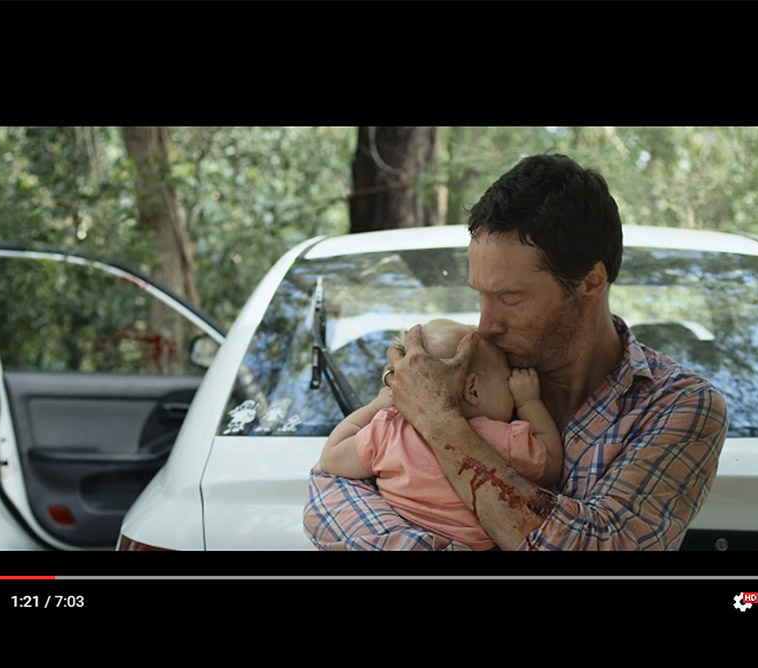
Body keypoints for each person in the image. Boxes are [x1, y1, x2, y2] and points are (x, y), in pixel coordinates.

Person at [303, 153, 730, 551]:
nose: (486, 325)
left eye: (510, 298)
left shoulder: (677, 405)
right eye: (481, 296)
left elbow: (600, 545)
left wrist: (441, 423)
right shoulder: (466, 365)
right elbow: (329, 485)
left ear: (591, 282)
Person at [317, 318, 563, 551]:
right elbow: (552, 463)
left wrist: (374, 407)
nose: (511, 385)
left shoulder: (389, 430)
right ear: (473, 390)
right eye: (507, 378)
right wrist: (529, 402)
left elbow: (331, 459)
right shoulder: (504, 439)